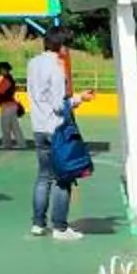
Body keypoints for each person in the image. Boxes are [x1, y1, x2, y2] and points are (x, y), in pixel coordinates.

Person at [27, 25, 89, 240]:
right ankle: (60, 226)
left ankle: (38, 223)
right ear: (61, 46)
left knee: (44, 176)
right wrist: (78, 98)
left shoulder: (33, 63)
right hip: (56, 128)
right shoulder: (56, 68)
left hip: (38, 127)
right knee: (63, 177)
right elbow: (58, 105)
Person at [0, 62, 25, 150]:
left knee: (5, 126)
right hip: (11, 105)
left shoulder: (6, 79)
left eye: (0, 69)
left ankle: (7, 144)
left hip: (7, 106)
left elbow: (0, 91)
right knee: (14, 126)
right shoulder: (9, 78)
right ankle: (21, 143)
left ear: (4, 69)